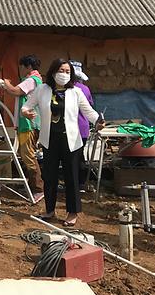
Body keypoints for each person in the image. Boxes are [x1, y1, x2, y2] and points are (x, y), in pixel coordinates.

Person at [22, 59, 103, 227]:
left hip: (71, 140)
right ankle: (49, 210)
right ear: (53, 72)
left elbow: (88, 111)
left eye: (67, 71)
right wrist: (26, 113)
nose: (64, 74)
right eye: (61, 70)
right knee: (50, 176)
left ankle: (72, 212)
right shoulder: (42, 90)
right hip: (49, 139)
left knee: (71, 177)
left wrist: (98, 121)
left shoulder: (76, 92)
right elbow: (27, 106)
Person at [0, 54, 44, 202]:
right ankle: (32, 185)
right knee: (27, 154)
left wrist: (5, 83)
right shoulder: (36, 80)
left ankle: (38, 188)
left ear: (28, 66)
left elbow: (16, 91)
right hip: (30, 122)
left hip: (29, 123)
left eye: (23, 66)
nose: (22, 69)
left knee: (28, 155)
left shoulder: (31, 80)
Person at [70, 60, 94, 186]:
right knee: (80, 156)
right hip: (83, 128)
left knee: (71, 157)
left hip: (71, 128)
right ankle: (81, 183)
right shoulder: (85, 89)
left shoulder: (67, 89)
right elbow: (90, 106)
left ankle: (74, 183)